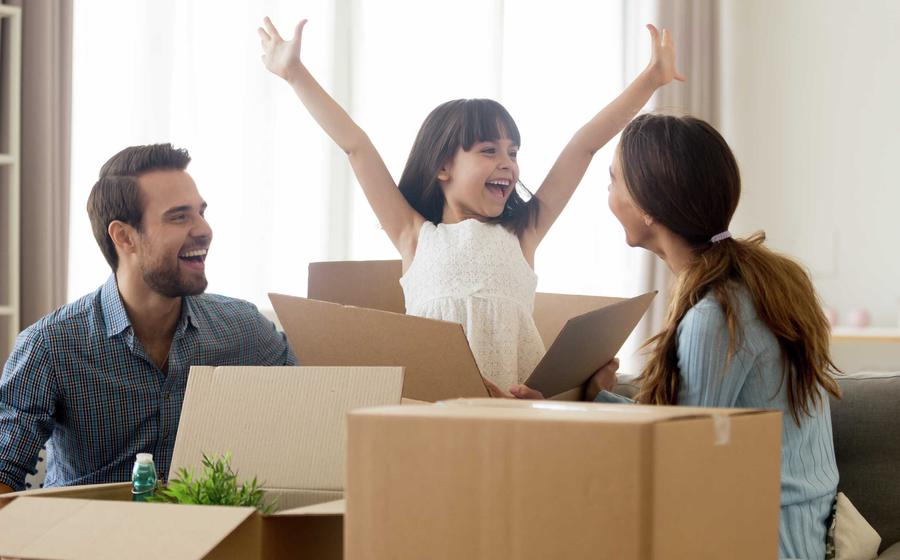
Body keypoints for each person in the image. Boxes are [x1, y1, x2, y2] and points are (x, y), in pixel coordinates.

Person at [259, 17, 683, 392]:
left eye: (513, 152)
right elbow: (356, 146)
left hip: (516, 410)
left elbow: (584, 146)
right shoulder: (414, 236)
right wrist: (295, 74)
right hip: (438, 410)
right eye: (488, 151)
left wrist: (651, 79)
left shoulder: (523, 233)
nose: (508, 164)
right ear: (443, 166)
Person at [513, 114, 841, 559]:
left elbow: (676, 462)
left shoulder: (716, 315)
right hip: (796, 530)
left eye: (613, 181)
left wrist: (548, 424)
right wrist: (599, 399)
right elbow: (690, 425)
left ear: (649, 206)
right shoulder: (759, 286)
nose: (607, 196)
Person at [0, 143, 296, 493]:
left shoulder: (244, 329)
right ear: (125, 237)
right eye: (179, 216)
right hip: (87, 542)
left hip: (207, 541)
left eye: (201, 213)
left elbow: (321, 407)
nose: (204, 229)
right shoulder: (51, 345)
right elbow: (4, 473)